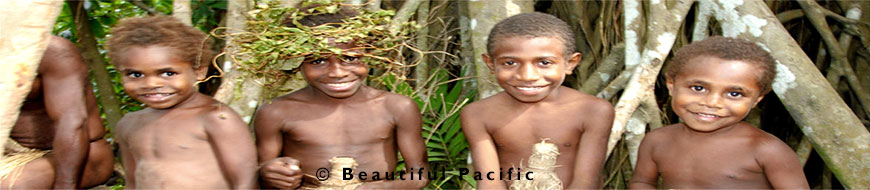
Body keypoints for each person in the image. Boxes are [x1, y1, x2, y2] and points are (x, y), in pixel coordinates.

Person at [254, 5, 429, 189]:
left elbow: (419, 175)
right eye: (318, 61)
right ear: (297, 62)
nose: (337, 73)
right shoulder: (276, 111)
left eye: (350, 58)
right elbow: (259, 174)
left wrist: (375, 188)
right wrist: (268, 174)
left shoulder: (397, 106)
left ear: (367, 54)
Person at [629, 36, 809, 189]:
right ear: (671, 86)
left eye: (734, 94)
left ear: (756, 100)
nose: (712, 102)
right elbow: (642, 182)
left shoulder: (767, 151)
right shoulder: (657, 141)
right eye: (698, 88)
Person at [461, 12, 614, 189]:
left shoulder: (593, 111)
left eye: (544, 63)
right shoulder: (477, 114)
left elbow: (586, 183)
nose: (527, 76)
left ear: (570, 63)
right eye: (510, 63)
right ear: (490, 64)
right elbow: (489, 181)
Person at [108, 15, 257, 189]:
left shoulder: (216, 118)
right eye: (136, 75)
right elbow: (132, 182)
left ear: (199, 72)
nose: (151, 84)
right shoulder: (129, 124)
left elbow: (246, 182)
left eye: (168, 73)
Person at [0, 36, 114, 189]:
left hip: (84, 157)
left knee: (12, 186)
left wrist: (65, 185)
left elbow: (71, 123)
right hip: (13, 154)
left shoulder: (50, 50)